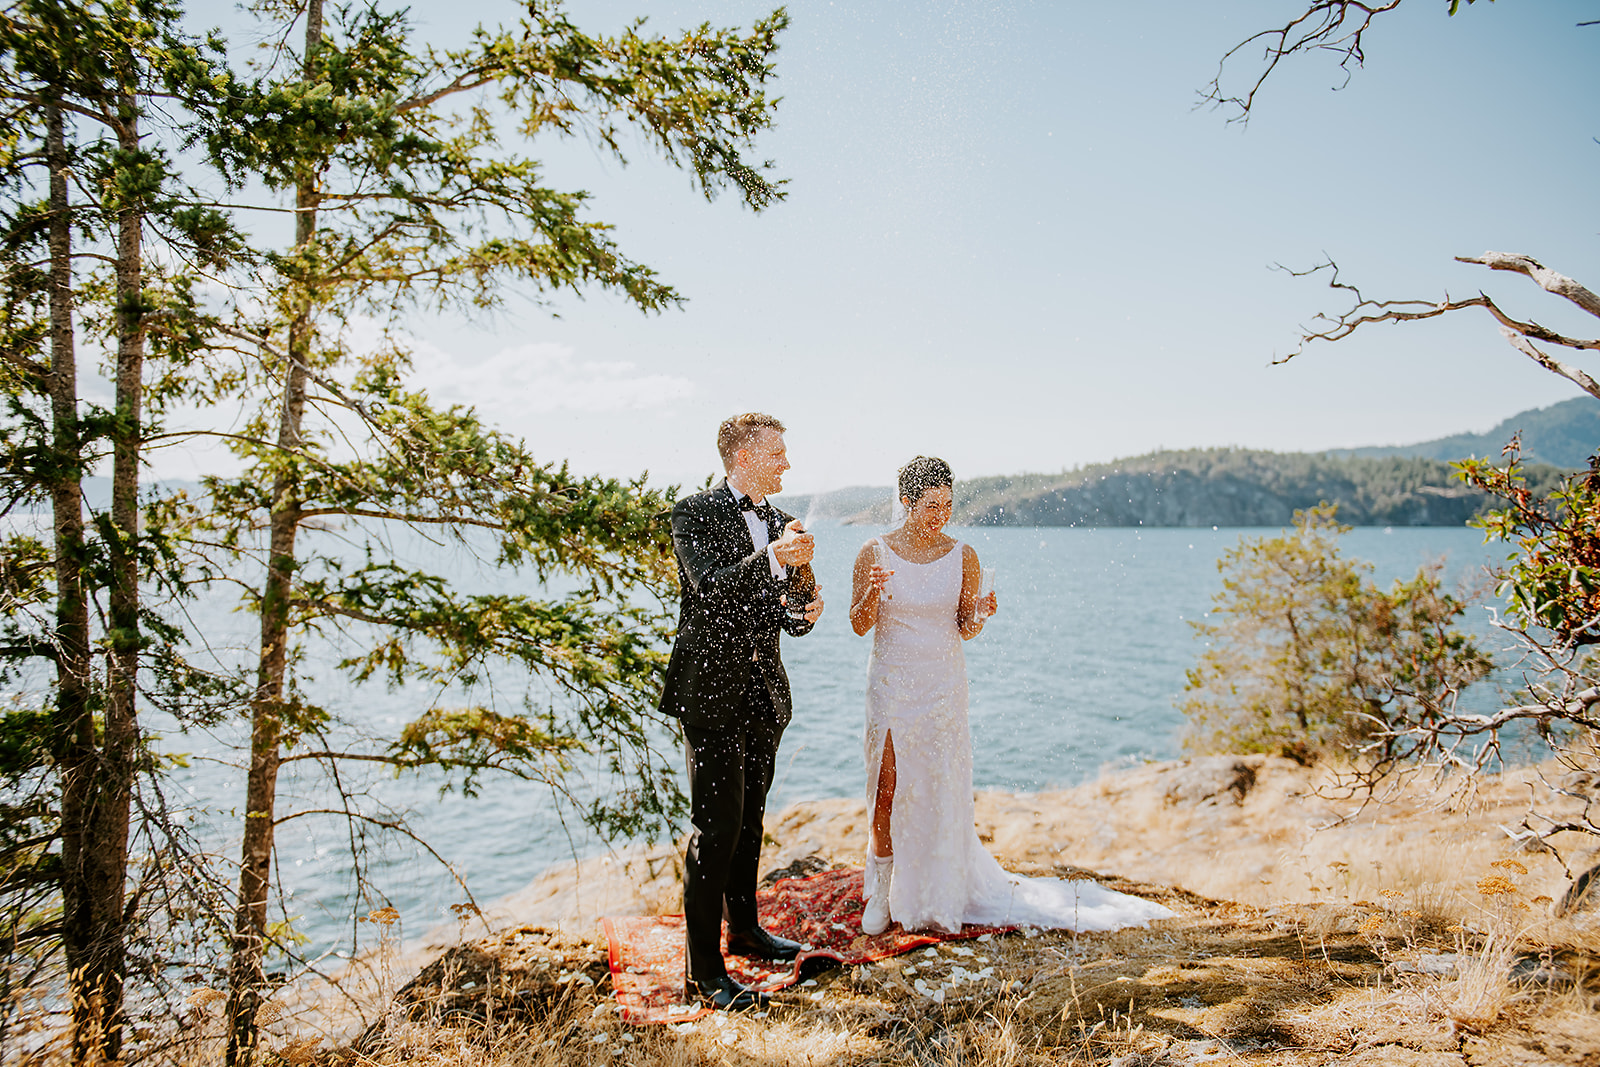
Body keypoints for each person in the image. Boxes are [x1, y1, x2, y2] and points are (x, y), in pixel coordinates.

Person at [848, 456, 1173, 936]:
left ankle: (939, 885)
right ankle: (882, 882)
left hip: (942, 685)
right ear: (907, 502)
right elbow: (858, 624)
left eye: (948, 503)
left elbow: (965, 628)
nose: (941, 513)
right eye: (930, 504)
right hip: (893, 683)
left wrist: (979, 613)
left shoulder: (964, 555)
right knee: (887, 785)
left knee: (939, 781)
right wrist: (873, 594)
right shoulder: (874, 552)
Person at [660, 413, 825, 1011]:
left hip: (763, 693)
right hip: (708, 691)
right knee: (716, 826)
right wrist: (774, 558)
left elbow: (779, 609)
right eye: (778, 452)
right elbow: (708, 588)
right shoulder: (693, 512)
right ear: (744, 454)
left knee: (751, 817)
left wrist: (803, 609)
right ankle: (703, 972)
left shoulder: (781, 522)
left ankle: (746, 931)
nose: (786, 463)